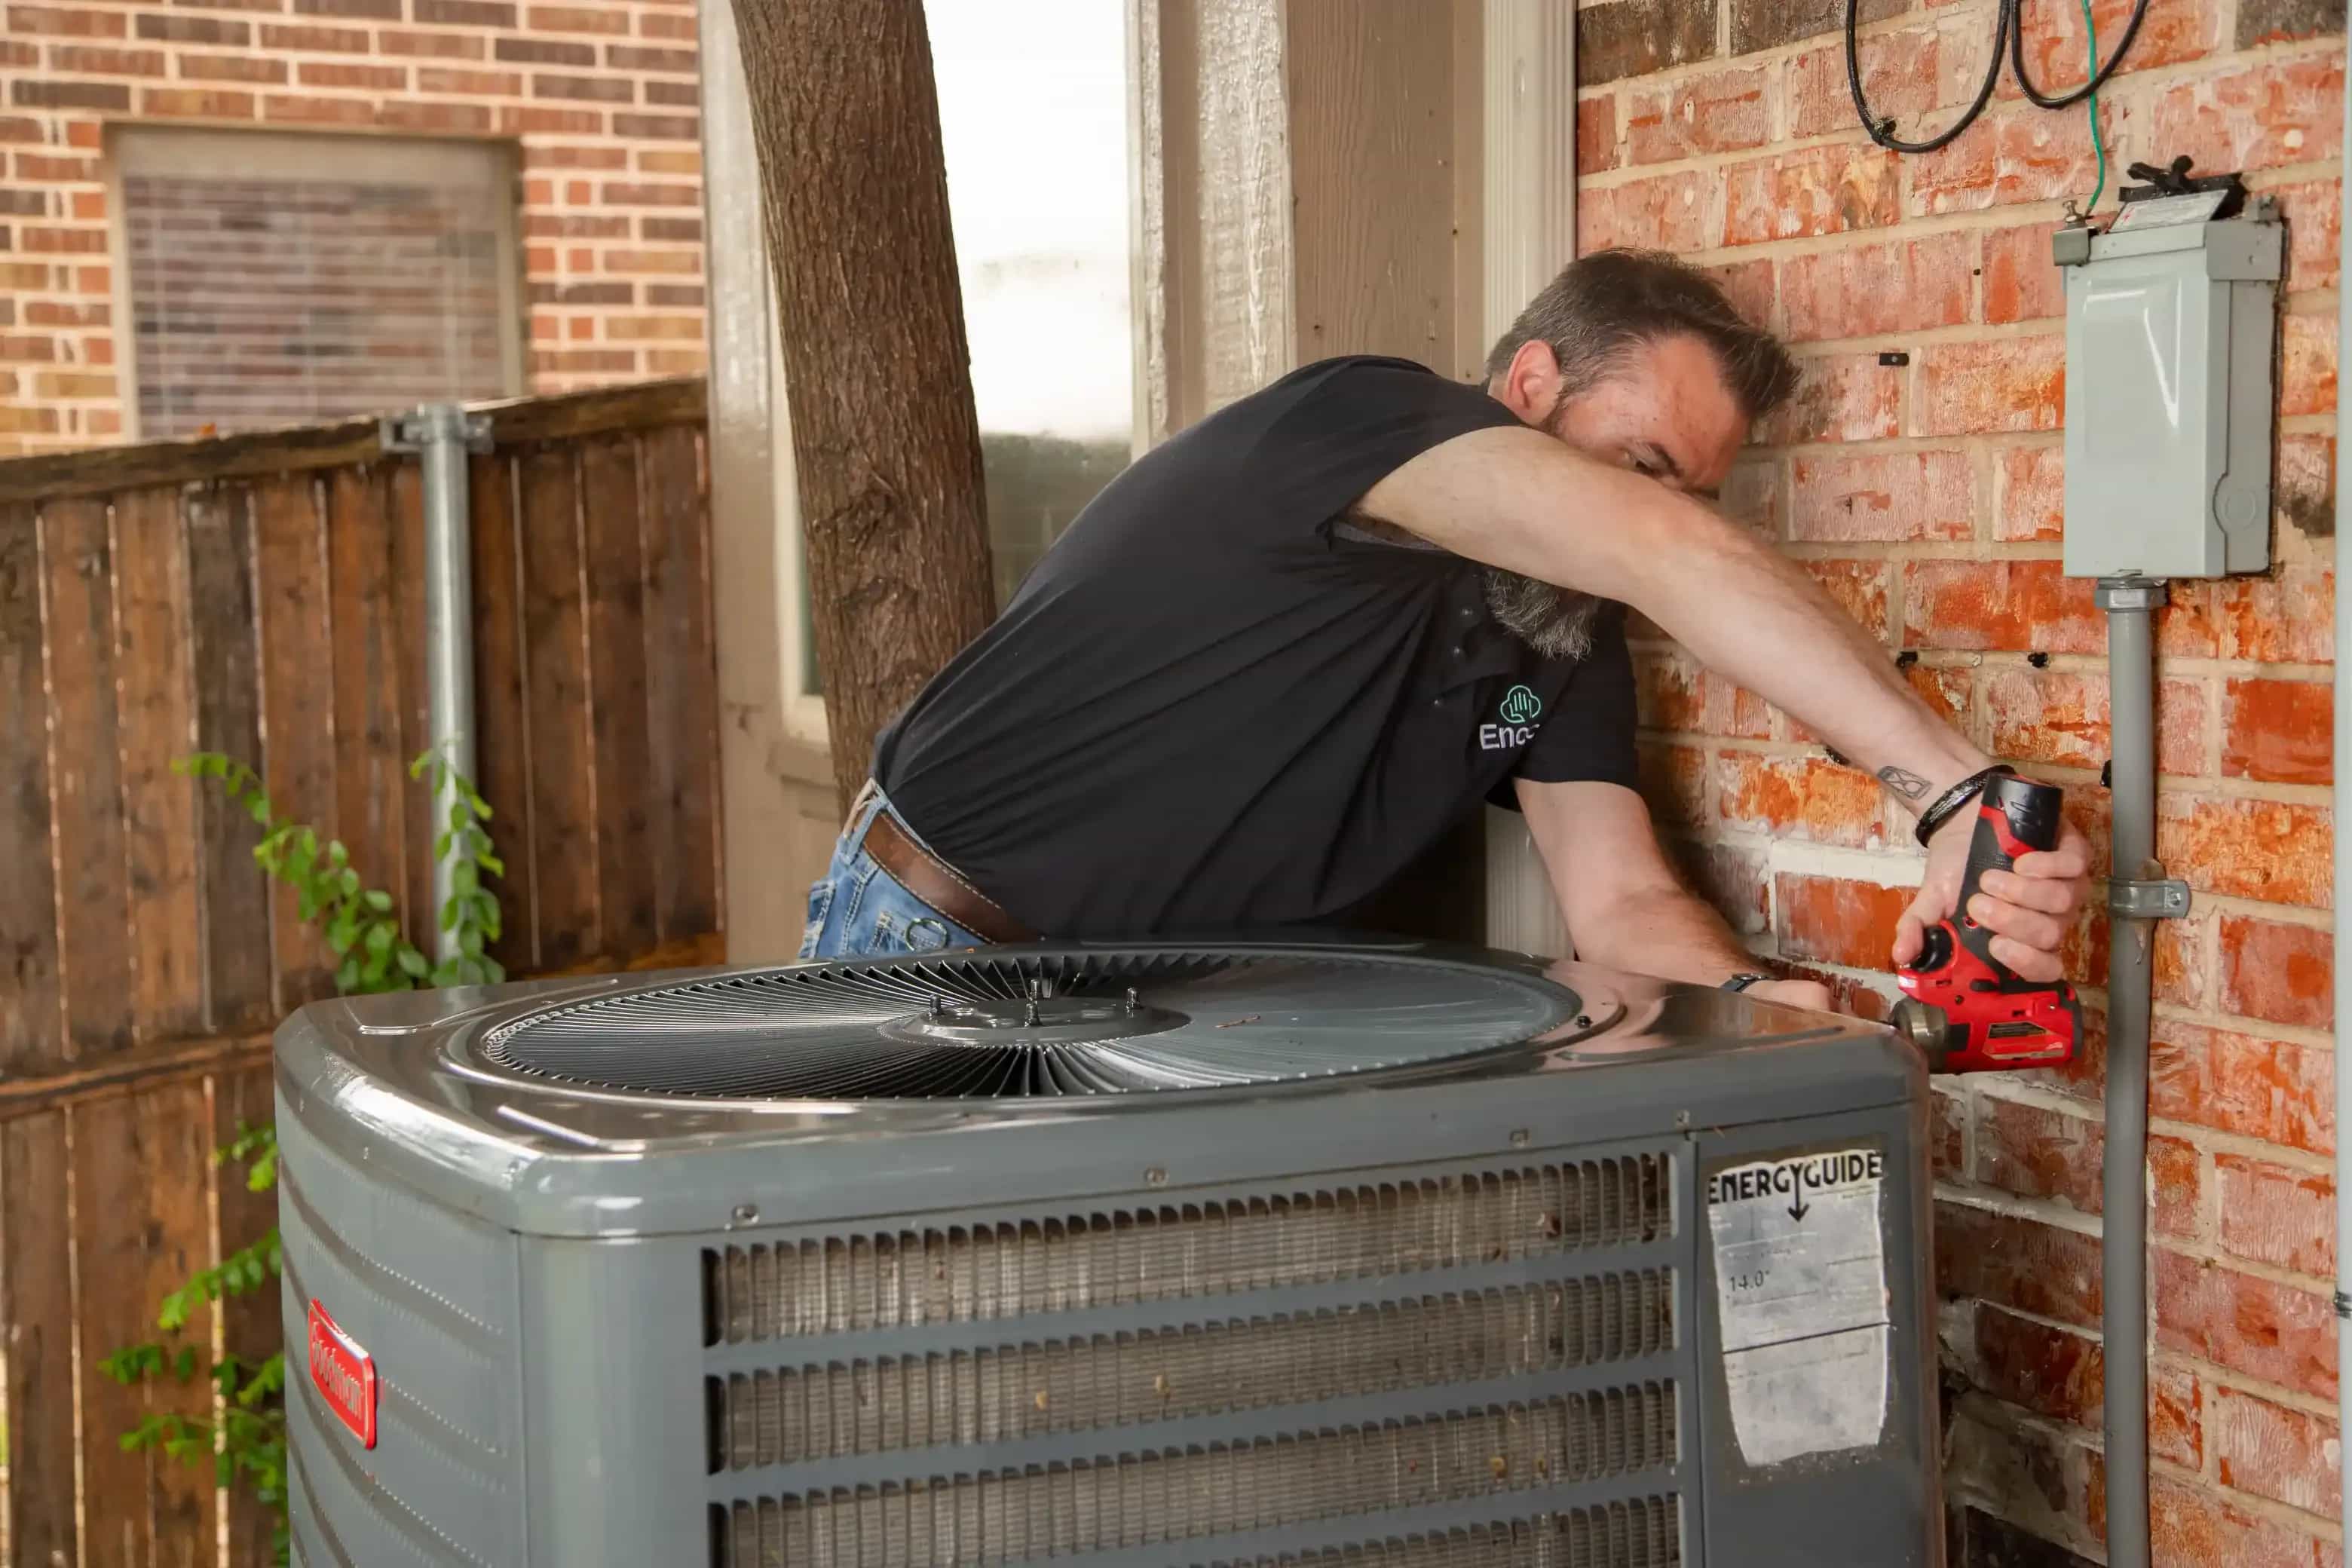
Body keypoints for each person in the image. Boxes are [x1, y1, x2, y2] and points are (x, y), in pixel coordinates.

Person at [799, 249, 2091, 1010]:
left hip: (1173, 1014)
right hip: (943, 949)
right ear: (1527, 386)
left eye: (1688, 493)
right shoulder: (1364, 423)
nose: (1656, 511)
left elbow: (1622, 899)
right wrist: (1955, 795)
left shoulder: (1559, 633)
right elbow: (1670, 556)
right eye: (1639, 466)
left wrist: (1756, 1007)